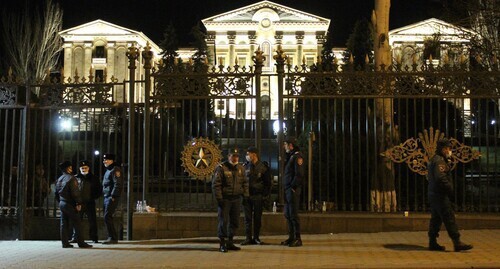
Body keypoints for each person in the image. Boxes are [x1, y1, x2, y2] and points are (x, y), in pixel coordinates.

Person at [427, 138, 473, 252]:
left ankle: (432, 242)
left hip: (434, 194)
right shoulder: (439, 161)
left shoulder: (435, 159)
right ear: (442, 149)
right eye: (447, 148)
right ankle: (457, 242)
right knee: (449, 218)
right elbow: (440, 177)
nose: (449, 151)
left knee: (436, 219)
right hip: (440, 194)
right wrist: (449, 188)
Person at [212, 148, 249, 252]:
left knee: (234, 222)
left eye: (236, 156)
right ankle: (222, 243)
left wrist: (245, 195)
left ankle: (230, 242)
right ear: (228, 156)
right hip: (225, 199)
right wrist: (219, 199)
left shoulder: (241, 168)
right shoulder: (221, 168)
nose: (235, 158)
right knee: (223, 221)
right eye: (233, 156)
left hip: (236, 199)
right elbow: (216, 185)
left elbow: (245, 183)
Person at [55, 161, 92, 248]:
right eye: (70, 167)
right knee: (77, 222)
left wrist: (60, 201)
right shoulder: (71, 178)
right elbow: (75, 193)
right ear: (67, 168)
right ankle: (81, 242)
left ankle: (65, 243)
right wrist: (78, 202)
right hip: (70, 204)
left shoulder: (60, 178)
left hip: (62, 202)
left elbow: (56, 193)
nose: (71, 169)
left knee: (63, 223)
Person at [241, 146, 271, 245]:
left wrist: (264, 195)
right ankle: (248, 238)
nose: (247, 156)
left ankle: (256, 237)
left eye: (248, 154)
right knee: (247, 218)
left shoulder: (263, 167)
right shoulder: (245, 166)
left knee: (257, 218)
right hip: (247, 196)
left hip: (258, 196)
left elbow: (267, 183)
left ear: (254, 155)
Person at [281, 136, 304, 247]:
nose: (284, 146)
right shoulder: (291, 156)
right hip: (288, 189)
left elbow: (298, 174)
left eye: (285, 144)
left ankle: (297, 238)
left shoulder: (297, 157)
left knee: (293, 214)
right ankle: (291, 237)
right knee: (288, 214)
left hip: (292, 190)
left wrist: (293, 187)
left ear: (291, 145)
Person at [70, 160, 101, 243]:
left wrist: (93, 197)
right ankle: (75, 237)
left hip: (90, 202)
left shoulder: (94, 178)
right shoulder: (76, 178)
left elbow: (99, 190)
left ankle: (94, 237)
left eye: (85, 167)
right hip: (79, 203)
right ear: (79, 168)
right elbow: (73, 190)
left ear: (89, 168)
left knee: (92, 221)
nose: (84, 169)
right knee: (77, 220)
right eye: (82, 168)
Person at [101, 153, 123, 244]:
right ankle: (112, 237)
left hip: (111, 197)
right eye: (104, 160)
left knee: (107, 216)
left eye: (107, 160)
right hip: (107, 196)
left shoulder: (115, 169)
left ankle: (113, 237)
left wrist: (113, 196)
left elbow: (117, 183)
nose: (104, 161)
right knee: (107, 216)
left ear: (112, 161)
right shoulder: (109, 169)